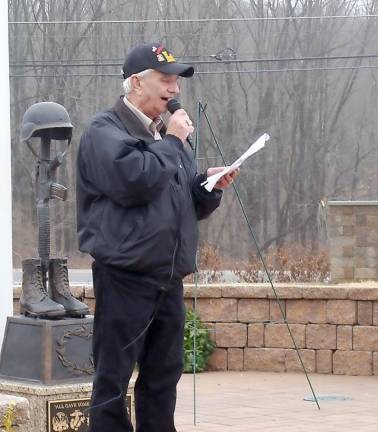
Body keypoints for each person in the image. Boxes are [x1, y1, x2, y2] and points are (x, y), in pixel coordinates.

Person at [76, 42, 238, 432]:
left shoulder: (167, 139)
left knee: (164, 377)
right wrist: (173, 143)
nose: (175, 89)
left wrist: (208, 187)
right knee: (113, 380)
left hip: (168, 280)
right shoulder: (105, 131)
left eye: (177, 81)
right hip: (125, 276)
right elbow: (137, 183)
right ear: (135, 83)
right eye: (166, 80)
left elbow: (181, 205)